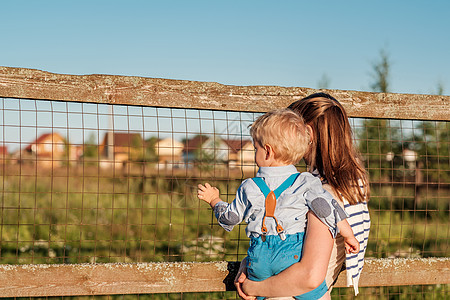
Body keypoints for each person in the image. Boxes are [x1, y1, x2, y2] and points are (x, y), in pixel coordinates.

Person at [198, 108, 360, 300]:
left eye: (255, 148)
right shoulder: (305, 182)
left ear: (267, 151)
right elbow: (326, 208)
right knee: (319, 294)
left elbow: (230, 218)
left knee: (261, 289)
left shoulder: (249, 187)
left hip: (259, 258)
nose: (255, 152)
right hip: (291, 256)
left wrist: (214, 200)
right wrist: (348, 233)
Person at [234, 93, 371, 299]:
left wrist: (253, 287)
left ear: (307, 134)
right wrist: (252, 262)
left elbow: (309, 275)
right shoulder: (348, 182)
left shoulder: (319, 192)